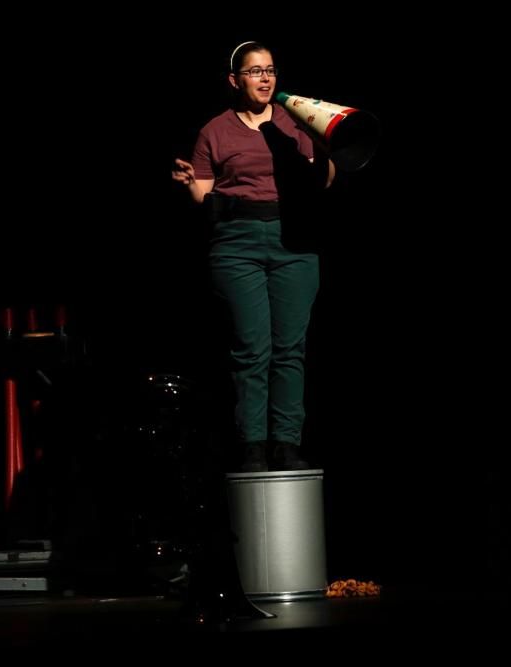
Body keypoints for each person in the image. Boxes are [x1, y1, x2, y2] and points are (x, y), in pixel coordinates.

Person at [172, 41, 336, 472]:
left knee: (290, 349)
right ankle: (252, 444)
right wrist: (188, 181)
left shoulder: (294, 122)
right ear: (234, 80)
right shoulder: (215, 130)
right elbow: (203, 194)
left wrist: (335, 151)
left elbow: (326, 178)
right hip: (237, 244)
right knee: (252, 348)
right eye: (254, 71)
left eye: (271, 70)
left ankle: (285, 443)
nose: (265, 78)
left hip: (294, 242)